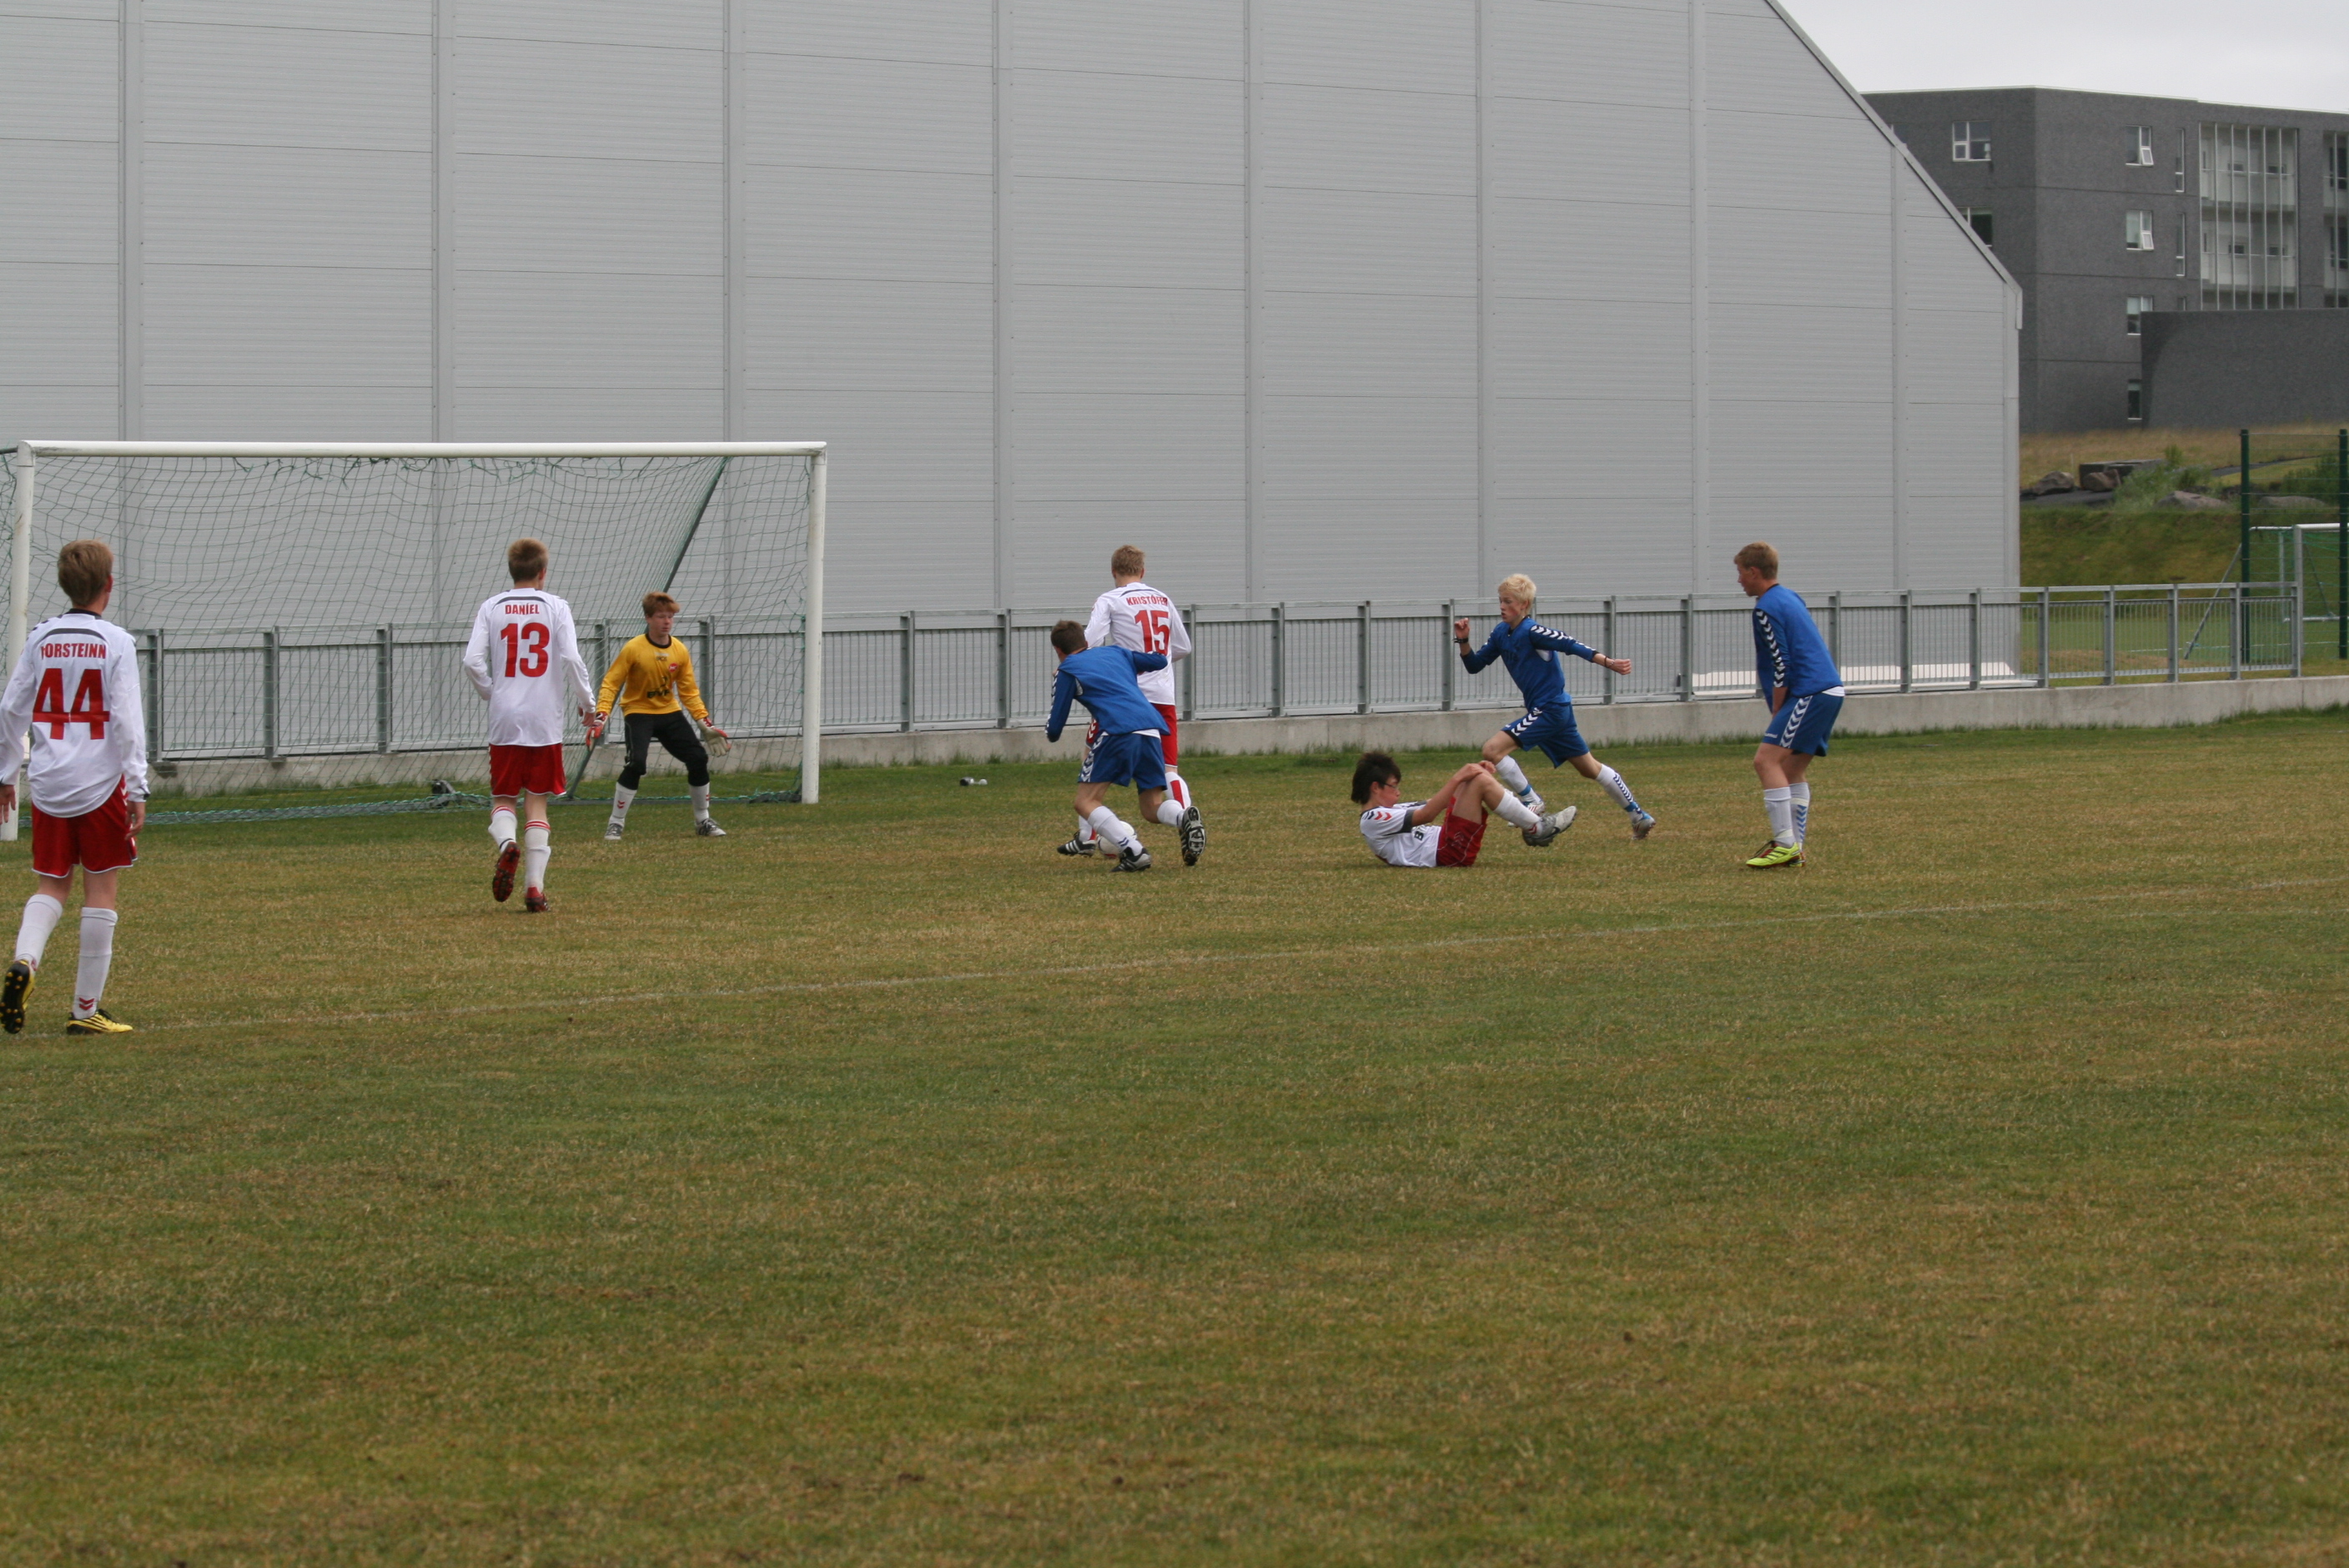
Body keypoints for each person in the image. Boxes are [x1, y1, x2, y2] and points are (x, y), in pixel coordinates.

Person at [0, 540, 148, 1034]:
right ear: (109, 584)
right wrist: (137, 787)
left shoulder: (40, 637)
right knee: (100, 887)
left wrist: (6, 774)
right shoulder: (116, 642)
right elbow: (127, 720)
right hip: (100, 784)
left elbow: (11, 710)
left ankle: (25, 961)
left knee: (51, 884)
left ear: (65, 585)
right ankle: (86, 1011)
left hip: (48, 781)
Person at [1453, 575, 1657, 840]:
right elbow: (1475, 666)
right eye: (1501, 601)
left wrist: (1609, 662)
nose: (1502, 606)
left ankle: (1531, 801)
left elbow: (1570, 644)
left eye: (1508, 601)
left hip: (1549, 709)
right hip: (1552, 711)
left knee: (1492, 750)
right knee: (1589, 768)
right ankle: (1639, 816)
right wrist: (1464, 641)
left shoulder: (1533, 631)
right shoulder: (1501, 633)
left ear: (1524, 604)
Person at [461, 538, 596, 912]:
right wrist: (588, 706)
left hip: (505, 716)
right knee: (537, 800)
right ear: (542, 573)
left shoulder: (492, 606)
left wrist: (492, 693)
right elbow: (572, 659)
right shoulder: (556, 606)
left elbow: (471, 661)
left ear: (511, 570)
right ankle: (534, 890)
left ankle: (507, 845)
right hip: (544, 718)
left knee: (504, 796)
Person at [1063, 545, 1205, 865]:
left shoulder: (1111, 600)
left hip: (1126, 699)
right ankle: (1185, 818)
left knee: (1090, 755)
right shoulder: (1162, 598)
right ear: (1143, 571)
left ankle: (1088, 837)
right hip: (1164, 698)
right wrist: (1157, 666)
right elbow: (1183, 647)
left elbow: (1089, 642)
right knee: (1168, 770)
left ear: (1114, 571)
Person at [1735, 541, 1843, 870]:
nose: (1739, 580)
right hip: (1829, 689)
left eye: (1741, 573)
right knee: (1792, 768)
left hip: (1810, 692)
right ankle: (1795, 848)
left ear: (1754, 572)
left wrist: (1779, 709)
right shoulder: (1789, 597)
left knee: (1765, 761)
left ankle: (1785, 844)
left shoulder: (1766, 607)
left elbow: (1781, 663)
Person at [1044, 620, 1184, 872]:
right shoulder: (1117, 652)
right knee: (1151, 807)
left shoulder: (1068, 670)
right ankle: (1183, 816)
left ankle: (1134, 851)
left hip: (1118, 731)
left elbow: (1054, 730)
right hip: (1152, 729)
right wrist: (1129, 661)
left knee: (1085, 802)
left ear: (1058, 649)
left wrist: (1060, 684)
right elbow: (1158, 661)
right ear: (1086, 641)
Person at [594, 592, 731, 842]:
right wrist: (602, 714)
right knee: (637, 764)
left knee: (698, 758)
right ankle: (615, 823)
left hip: (669, 712)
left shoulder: (679, 650)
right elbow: (611, 683)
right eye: (660, 617)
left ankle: (703, 820)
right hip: (638, 712)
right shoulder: (633, 648)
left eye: (670, 617)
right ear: (648, 618)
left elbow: (689, 692)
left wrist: (704, 723)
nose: (666, 622)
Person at [1351, 751, 1573, 869]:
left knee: (1477, 779)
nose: (1398, 792)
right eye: (1394, 786)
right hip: (1446, 851)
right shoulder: (1373, 818)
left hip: (1446, 843)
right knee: (1479, 781)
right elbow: (1427, 814)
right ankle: (1537, 828)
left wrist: (1469, 777)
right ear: (1375, 788)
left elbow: (1438, 801)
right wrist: (1459, 777)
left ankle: (1533, 825)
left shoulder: (1388, 811)